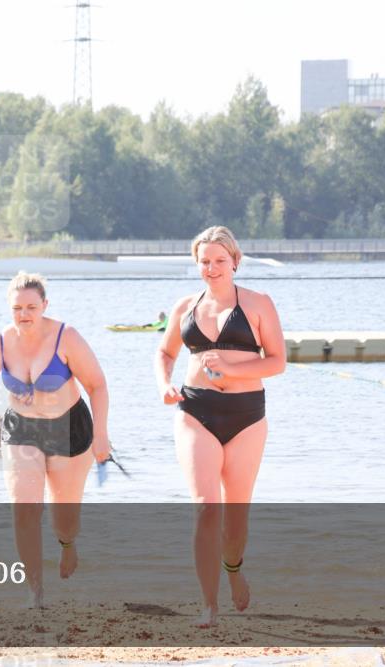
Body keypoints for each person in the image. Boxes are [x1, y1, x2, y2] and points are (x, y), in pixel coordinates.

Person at [0, 272, 111, 608]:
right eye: (17, 308)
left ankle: (67, 544)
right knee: (24, 510)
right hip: (22, 429)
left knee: (63, 519)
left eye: (31, 307)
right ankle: (35, 591)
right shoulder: (0, 342)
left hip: (69, 429)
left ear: (44, 305)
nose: (24, 314)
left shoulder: (67, 337)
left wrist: (101, 435)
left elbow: (97, 385)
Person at [153, 226, 285, 628]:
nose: (211, 268)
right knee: (206, 508)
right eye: (204, 261)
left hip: (246, 415)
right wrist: (164, 384)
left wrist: (230, 367)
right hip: (196, 411)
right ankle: (209, 605)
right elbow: (164, 351)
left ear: (235, 262)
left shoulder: (259, 303)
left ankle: (234, 568)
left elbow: (277, 361)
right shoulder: (184, 307)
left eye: (219, 261)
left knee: (236, 514)